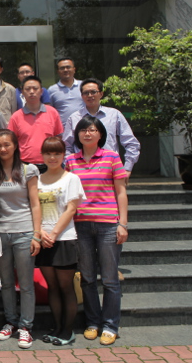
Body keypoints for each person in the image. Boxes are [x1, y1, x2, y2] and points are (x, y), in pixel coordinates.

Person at [66, 116, 129, 346]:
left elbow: (121, 192)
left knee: (110, 279)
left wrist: (123, 223)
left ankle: (110, 325)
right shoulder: (70, 161)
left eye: (92, 130)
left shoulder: (112, 157)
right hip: (80, 225)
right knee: (88, 278)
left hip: (108, 225)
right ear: (77, 135)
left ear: (100, 134)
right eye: (83, 130)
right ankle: (92, 322)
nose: (87, 133)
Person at [0, 129, 41, 349]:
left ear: (15, 146)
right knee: (6, 282)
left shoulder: (29, 169)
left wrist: (36, 234)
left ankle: (26, 326)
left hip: (24, 232)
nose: (3, 149)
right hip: (0, 233)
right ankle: (10, 321)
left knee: (26, 283)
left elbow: (35, 203)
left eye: (7, 144)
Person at [36, 137, 84, 346]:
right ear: (42, 155)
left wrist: (54, 234)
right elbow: (32, 209)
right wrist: (40, 232)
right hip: (43, 239)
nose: (52, 157)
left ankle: (67, 330)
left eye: (57, 153)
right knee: (52, 287)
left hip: (64, 238)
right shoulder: (37, 180)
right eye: (48, 153)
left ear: (64, 155)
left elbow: (71, 209)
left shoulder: (71, 178)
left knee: (66, 287)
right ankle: (56, 327)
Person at [63, 78, 140, 179]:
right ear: (82, 96)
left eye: (93, 92)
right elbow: (66, 147)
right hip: (81, 173)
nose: (90, 95)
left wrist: (127, 169)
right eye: (86, 93)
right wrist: (71, 167)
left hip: (110, 171)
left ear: (101, 94)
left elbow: (131, 143)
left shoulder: (114, 115)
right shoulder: (74, 118)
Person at [8, 76, 63, 172]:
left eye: (35, 88)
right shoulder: (16, 117)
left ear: (41, 91)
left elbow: (58, 137)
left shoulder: (52, 112)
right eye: (28, 89)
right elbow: (11, 141)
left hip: (50, 164)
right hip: (25, 165)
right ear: (22, 92)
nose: (32, 92)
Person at [48, 58, 83, 126]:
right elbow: (49, 112)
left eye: (68, 67)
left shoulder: (83, 86)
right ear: (58, 71)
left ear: (74, 69)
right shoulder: (52, 90)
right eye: (62, 68)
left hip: (84, 128)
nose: (65, 70)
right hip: (63, 130)